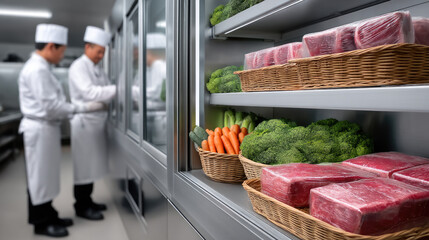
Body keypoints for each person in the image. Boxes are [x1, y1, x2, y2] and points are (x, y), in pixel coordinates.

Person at [18, 23, 105, 238]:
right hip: (38, 129)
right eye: (61, 51)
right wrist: (83, 107)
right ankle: (41, 222)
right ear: (50, 47)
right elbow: (52, 107)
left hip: (46, 129)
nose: (61, 56)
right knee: (39, 179)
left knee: (46, 177)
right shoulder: (37, 70)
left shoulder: (42, 68)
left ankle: (49, 214)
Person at [68, 26, 116, 221]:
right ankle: (81, 206)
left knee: (92, 167)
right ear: (88, 47)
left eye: (103, 52)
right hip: (84, 124)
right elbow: (91, 93)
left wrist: (109, 93)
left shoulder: (97, 69)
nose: (101, 56)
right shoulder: (78, 67)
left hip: (96, 123)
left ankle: (88, 201)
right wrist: (116, 89)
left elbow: (104, 92)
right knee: (84, 168)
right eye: (98, 51)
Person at [146, 33, 167, 145]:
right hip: (155, 118)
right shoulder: (152, 68)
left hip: (161, 119)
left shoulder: (160, 66)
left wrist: (133, 92)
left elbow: (156, 93)